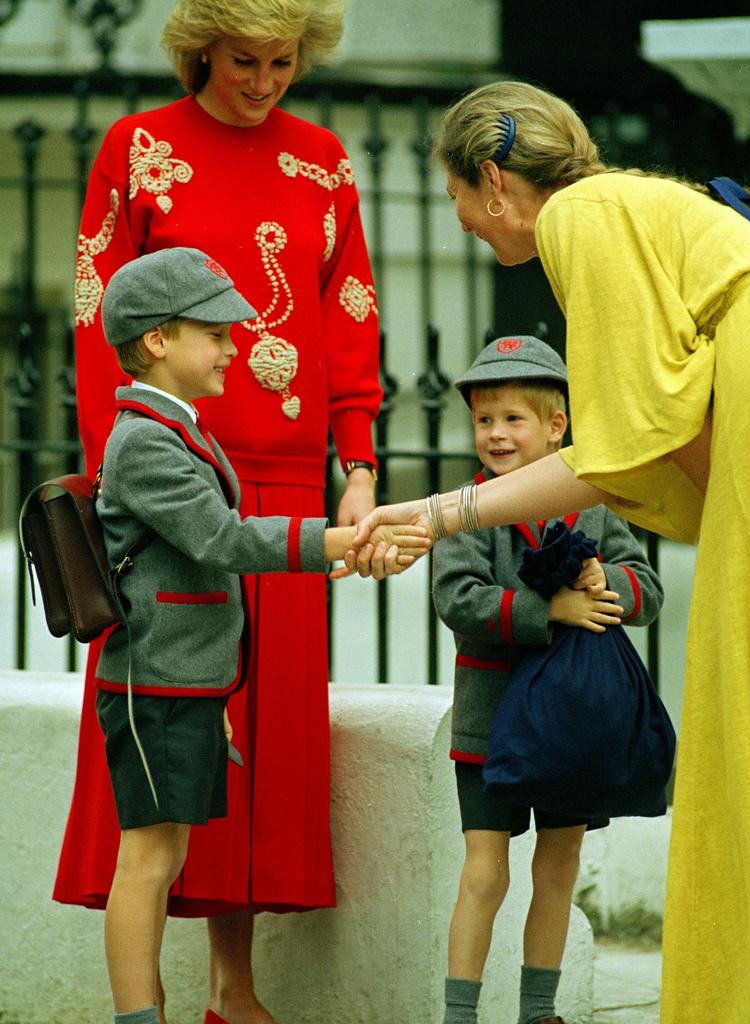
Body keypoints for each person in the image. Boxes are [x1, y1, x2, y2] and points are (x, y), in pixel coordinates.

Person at [350, 80, 750, 1024]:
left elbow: (613, 452)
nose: (456, 219)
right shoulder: (624, 203)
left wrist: (440, 511)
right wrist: (446, 514)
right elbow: (648, 446)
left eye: (456, 195)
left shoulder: (581, 218)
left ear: (494, 180)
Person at [55, 2, 382, 1022]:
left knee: (254, 750)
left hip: (285, 484)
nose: (266, 80)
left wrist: (358, 463)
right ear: (204, 49)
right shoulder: (136, 146)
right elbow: (93, 308)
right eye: (246, 60)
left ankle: (233, 991)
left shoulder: (326, 161)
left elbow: (349, 312)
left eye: (285, 62)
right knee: (176, 732)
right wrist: (114, 470)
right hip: (168, 479)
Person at [92, 246, 426, 1024]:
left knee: (166, 854)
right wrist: (340, 544)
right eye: (216, 333)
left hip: (186, 682)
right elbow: (223, 540)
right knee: (146, 860)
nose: (236, 348)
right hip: (157, 686)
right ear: (157, 341)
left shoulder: (172, 428)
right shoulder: (144, 438)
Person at [432, 334, 663, 1024]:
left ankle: (539, 1012)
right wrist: (548, 609)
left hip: (571, 726)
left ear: (557, 426)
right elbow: (458, 599)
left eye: (513, 418)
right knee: (484, 873)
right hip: (489, 720)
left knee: (557, 869)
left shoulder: (595, 505)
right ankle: (460, 1015)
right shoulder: (465, 509)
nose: (496, 434)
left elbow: (648, 590)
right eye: (484, 420)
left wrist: (605, 581)